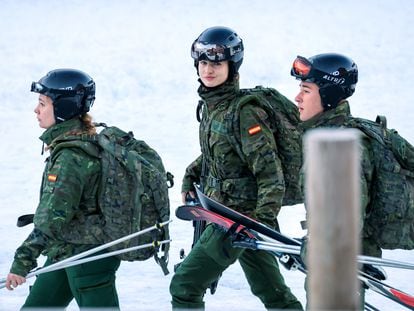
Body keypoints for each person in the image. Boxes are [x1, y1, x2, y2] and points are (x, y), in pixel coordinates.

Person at [170, 26, 303, 310]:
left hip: (237, 221)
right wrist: (191, 176)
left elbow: (271, 174)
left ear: (232, 65)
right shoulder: (213, 106)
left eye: (217, 63)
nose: (208, 69)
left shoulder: (244, 111)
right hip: (231, 216)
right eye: (203, 62)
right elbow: (219, 155)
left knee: (184, 285)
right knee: (273, 294)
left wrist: (259, 224)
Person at [5, 69, 121, 309]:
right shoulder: (79, 141)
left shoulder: (71, 157)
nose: (36, 110)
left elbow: (53, 217)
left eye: (42, 103)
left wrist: (22, 262)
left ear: (64, 108)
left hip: (89, 259)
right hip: (65, 250)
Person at [290, 53, 380, 306]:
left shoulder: (340, 147)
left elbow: (342, 228)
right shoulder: (326, 137)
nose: (297, 97)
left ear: (328, 95)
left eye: (306, 90)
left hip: (338, 274)